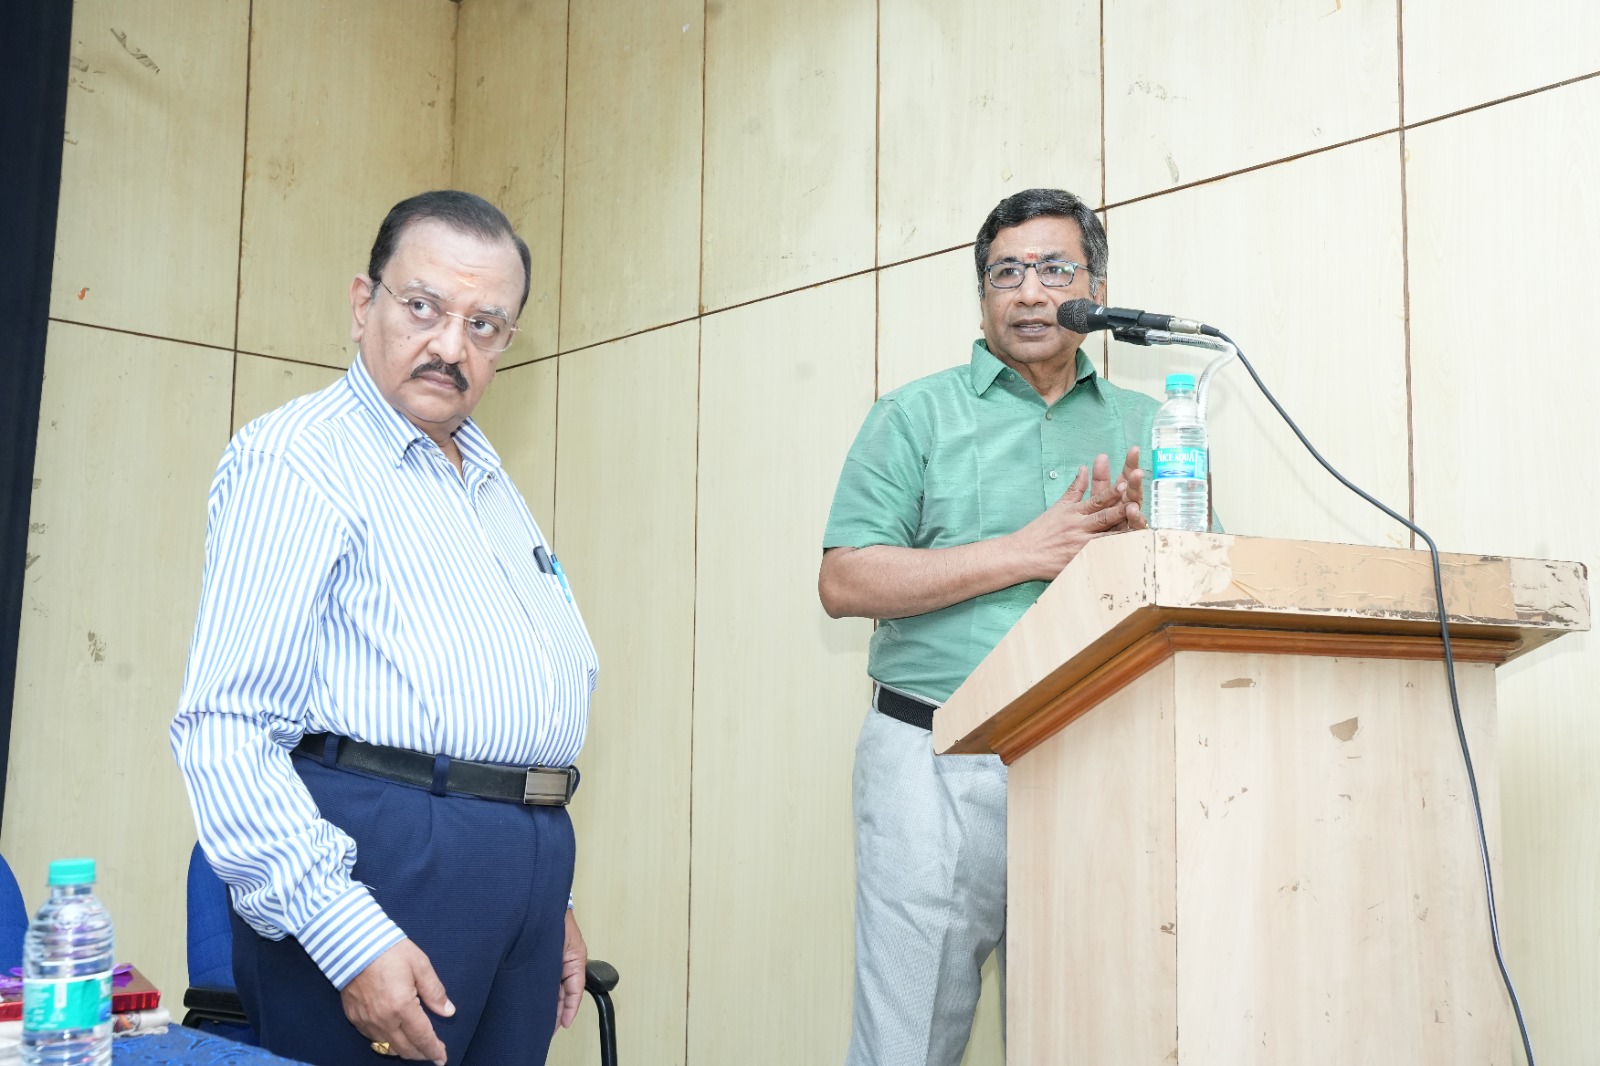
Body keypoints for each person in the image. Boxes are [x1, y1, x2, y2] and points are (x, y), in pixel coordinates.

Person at [172, 190, 598, 1066]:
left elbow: (495, 704)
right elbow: (227, 727)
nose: (451, 345)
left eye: (485, 324)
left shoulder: (486, 481)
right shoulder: (299, 458)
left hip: (519, 872)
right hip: (381, 869)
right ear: (364, 303)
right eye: (424, 307)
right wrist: (346, 935)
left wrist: (539, 891)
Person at [819, 187, 1160, 1066]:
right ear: (983, 296)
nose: (1029, 292)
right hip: (934, 758)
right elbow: (845, 579)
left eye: (1054, 270)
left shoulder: (1147, 426)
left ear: (1095, 286)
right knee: (910, 1038)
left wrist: (1136, 554)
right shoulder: (915, 415)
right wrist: (1023, 551)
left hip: (1094, 760)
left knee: (1087, 1026)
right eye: (1004, 273)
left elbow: (1182, 595)